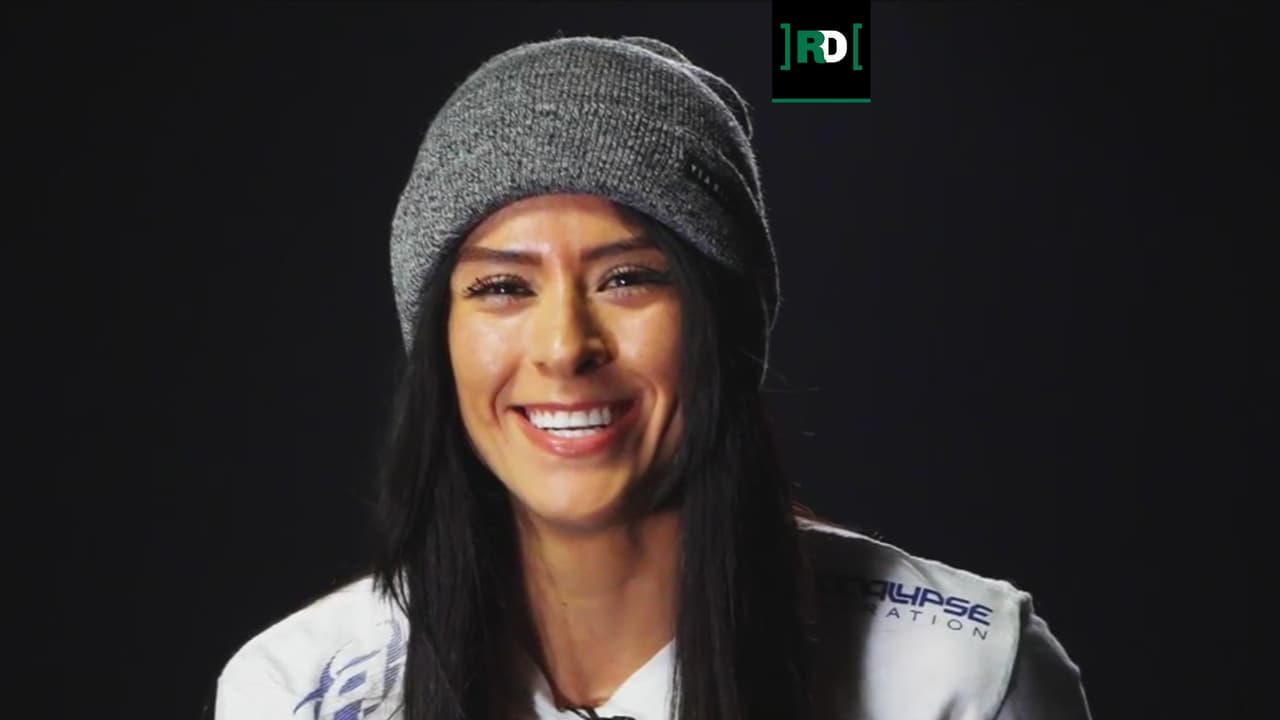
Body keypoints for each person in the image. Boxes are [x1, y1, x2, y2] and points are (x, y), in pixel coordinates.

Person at [210, 35, 1093, 720]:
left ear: (724, 326)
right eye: (502, 287)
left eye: (628, 278)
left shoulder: (961, 674)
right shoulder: (294, 690)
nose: (565, 347)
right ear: (439, 338)